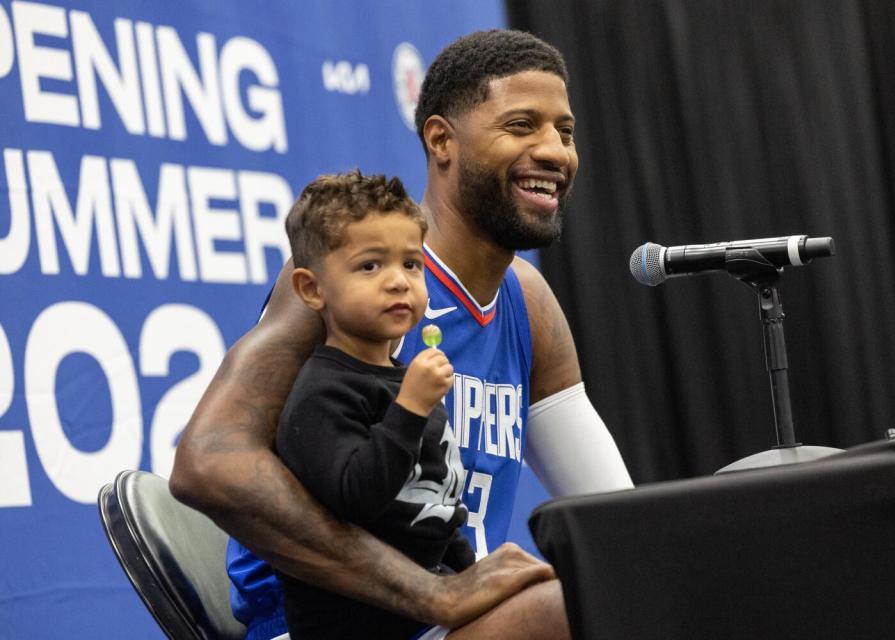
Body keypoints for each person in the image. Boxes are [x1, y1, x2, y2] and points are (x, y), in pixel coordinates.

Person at [171, 29, 633, 640]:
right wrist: (432, 593)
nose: (554, 151)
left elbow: (618, 518)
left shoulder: (530, 302)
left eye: (565, 131)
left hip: (458, 618)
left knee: (646, 584)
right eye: (522, 126)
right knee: (575, 609)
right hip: (334, 627)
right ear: (442, 140)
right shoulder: (349, 284)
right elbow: (208, 464)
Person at [276, 170, 475, 638]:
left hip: (425, 609)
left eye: (411, 264)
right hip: (363, 623)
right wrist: (408, 409)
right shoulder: (321, 393)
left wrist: (474, 579)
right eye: (370, 266)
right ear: (311, 289)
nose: (398, 282)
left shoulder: (410, 379)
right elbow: (357, 497)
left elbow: (442, 514)